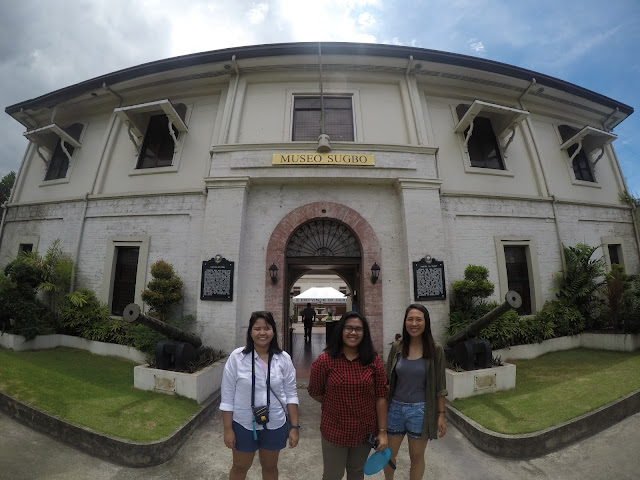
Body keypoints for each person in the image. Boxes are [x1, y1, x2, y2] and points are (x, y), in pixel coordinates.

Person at [308, 311, 389, 480]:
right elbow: (315, 391)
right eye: (349, 328)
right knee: (332, 475)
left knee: (356, 472)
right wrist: (336, 403)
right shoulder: (325, 361)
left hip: (364, 430)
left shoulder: (373, 361)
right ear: (341, 331)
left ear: (364, 333)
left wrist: (382, 432)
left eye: (358, 329)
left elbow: (381, 396)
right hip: (335, 430)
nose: (353, 333)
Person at [220, 311, 300, 480]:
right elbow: (227, 397)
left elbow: (291, 395)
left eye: (267, 328)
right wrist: (228, 429)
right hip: (243, 424)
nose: (262, 333)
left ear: (273, 331)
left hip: (275, 423)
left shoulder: (283, 358)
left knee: (270, 467)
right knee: (240, 467)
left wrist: (294, 427)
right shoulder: (237, 357)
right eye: (257, 328)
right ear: (250, 332)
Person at [384, 304, 447, 480]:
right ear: (405, 322)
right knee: (388, 455)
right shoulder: (397, 347)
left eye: (419, 319)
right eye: (410, 319)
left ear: (426, 323)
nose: (414, 323)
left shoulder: (436, 350)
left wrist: (441, 415)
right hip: (395, 409)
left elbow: (440, 385)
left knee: (416, 457)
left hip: (420, 411)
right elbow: (387, 381)